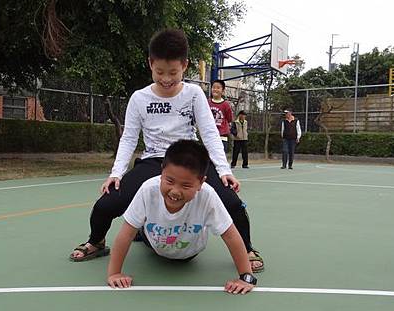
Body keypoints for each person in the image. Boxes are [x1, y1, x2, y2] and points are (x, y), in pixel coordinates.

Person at [69, 28, 264, 273]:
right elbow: (129, 138)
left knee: (232, 202)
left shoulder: (193, 94)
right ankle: (96, 241)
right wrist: (116, 174)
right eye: (159, 71)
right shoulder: (139, 98)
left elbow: (209, 132)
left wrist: (223, 170)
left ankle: (246, 248)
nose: (166, 78)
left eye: (173, 72)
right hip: (154, 161)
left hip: (189, 160)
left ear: (185, 65)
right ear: (150, 64)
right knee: (105, 206)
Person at [107, 140, 257, 294]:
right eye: (169, 181)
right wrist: (115, 273)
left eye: (186, 186)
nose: (175, 191)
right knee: (138, 230)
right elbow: (126, 233)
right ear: (162, 171)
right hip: (154, 243)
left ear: (201, 183)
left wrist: (246, 276)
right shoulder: (148, 190)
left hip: (189, 253)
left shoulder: (208, 195)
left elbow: (231, 236)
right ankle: (142, 230)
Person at [208, 79, 233, 153]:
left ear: (222, 91)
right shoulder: (207, 102)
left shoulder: (226, 105)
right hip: (210, 136)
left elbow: (229, 118)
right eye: (213, 87)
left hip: (222, 136)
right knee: (208, 159)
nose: (215, 89)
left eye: (218, 88)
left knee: (220, 160)